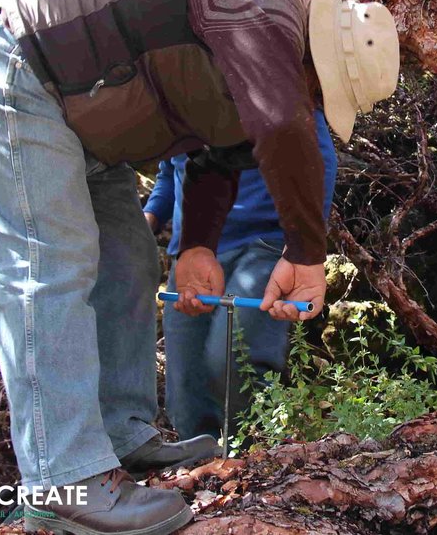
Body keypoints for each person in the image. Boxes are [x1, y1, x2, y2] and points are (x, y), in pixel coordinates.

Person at [0, 0, 399, 535]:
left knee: (131, 259)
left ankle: (118, 435)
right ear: (320, 49)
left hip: (82, 128)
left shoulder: (257, 36)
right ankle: (63, 481)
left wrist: (198, 247)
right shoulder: (260, 0)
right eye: (320, 87)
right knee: (50, 269)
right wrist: (307, 253)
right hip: (19, 82)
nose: (313, 99)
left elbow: (220, 148)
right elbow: (280, 123)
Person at [144, 109, 337, 441]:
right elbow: (170, 173)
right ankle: (198, 472)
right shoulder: (172, 91)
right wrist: (147, 220)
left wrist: (303, 250)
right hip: (192, 254)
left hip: (267, 244)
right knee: (185, 387)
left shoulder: (268, 80)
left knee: (234, 358)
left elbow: (318, 156)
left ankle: (251, 460)